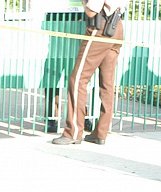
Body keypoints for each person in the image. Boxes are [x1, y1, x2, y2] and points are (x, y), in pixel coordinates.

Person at [51, 0, 123, 146]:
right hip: (117, 27)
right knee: (107, 84)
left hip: (100, 28)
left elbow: (91, 11)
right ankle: (101, 133)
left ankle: (73, 132)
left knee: (77, 80)